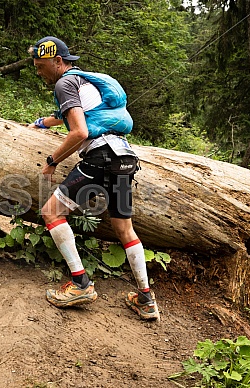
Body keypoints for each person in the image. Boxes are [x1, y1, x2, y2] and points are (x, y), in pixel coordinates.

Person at [28, 36, 159, 320]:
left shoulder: (64, 84)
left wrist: (52, 162)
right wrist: (41, 123)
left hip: (100, 157)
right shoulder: (83, 83)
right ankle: (146, 300)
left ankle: (80, 284)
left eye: (40, 66)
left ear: (57, 62)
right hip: (124, 158)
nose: (38, 72)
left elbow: (80, 132)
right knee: (125, 230)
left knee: (51, 212)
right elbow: (72, 116)